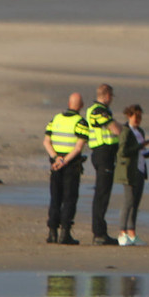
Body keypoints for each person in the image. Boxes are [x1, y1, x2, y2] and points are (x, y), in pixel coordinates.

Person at [42, 92, 89, 245]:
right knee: (69, 198)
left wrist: (56, 158)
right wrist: (64, 161)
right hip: (71, 165)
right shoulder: (81, 122)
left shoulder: (55, 119)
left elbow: (46, 142)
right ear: (81, 106)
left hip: (55, 163)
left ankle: (52, 232)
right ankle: (65, 233)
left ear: (69, 104)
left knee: (55, 197)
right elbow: (78, 148)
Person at [85, 83, 124, 245]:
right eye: (111, 96)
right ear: (107, 95)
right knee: (102, 194)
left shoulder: (99, 110)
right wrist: (120, 126)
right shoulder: (98, 110)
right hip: (103, 153)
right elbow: (116, 130)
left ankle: (100, 231)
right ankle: (99, 233)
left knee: (102, 193)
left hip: (104, 154)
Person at [116, 104, 149, 246]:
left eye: (140, 116)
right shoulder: (125, 130)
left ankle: (132, 232)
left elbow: (139, 153)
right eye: (136, 116)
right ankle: (122, 232)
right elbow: (123, 152)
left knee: (136, 202)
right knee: (128, 201)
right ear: (129, 115)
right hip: (128, 171)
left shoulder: (140, 131)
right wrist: (140, 146)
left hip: (140, 169)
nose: (138, 119)